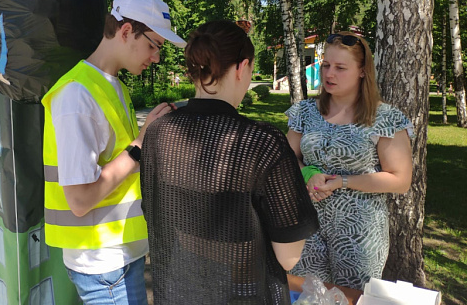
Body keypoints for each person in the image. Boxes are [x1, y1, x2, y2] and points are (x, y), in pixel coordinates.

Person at [140, 20, 319, 305]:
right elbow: (289, 257)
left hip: (178, 291)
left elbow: (158, 213)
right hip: (242, 294)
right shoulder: (262, 142)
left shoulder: (158, 131)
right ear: (241, 67)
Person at [42, 0, 187, 304]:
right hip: (103, 268)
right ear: (125, 32)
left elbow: (121, 164)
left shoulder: (114, 86)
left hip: (118, 258)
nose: (157, 57)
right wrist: (140, 143)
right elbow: (79, 199)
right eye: (153, 45)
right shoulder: (76, 96)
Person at [285, 31, 414, 290]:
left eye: (340, 68)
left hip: (360, 236)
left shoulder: (385, 117)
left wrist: (342, 182)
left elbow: (400, 180)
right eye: (326, 65)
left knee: (352, 298)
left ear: (363, 71)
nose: (329, 74)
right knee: (309, 295)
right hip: (308, 227)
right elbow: (286, 159)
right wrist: (308, 173)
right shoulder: (305, 111)